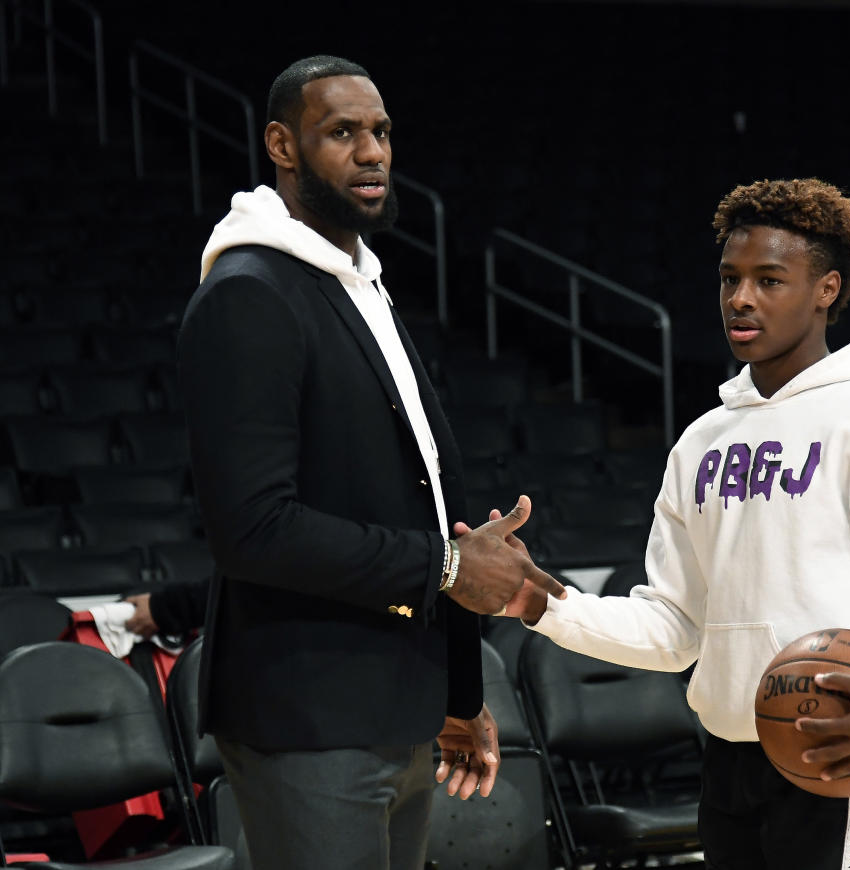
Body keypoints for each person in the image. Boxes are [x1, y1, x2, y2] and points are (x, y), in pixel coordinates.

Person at [486, 178, 850, 870]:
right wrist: (542, 606)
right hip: (727, 758)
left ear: (827, 290)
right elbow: (671, 629)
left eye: (769, 280)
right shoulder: (700, 444)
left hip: (841, 752)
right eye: (730, 279)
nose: (741, 299)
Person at [175, 54, 565, 870]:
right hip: (308, 713)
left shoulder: (360, 285)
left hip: (398, 704)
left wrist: (460, 697)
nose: (372, 152)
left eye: (382, 132)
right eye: (342, 133)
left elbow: (428, 501)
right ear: (282, 145)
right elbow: (252, 530)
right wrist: (452, 564)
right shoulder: (250, 290)